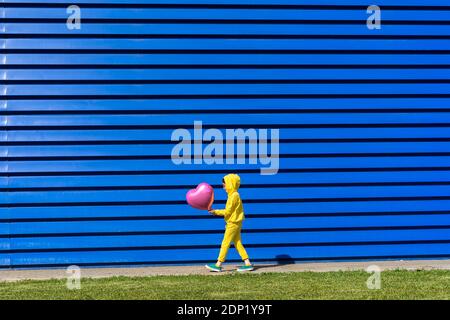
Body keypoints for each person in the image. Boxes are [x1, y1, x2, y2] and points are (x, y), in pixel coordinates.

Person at [205, 173, 254, 272]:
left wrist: (215, 212)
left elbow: (228, 211)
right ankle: (248, 263)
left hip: (233, 223)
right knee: (238, 243)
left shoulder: (233, 196)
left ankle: (218, 264)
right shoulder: (234, 195)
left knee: (225, 243)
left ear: (230, 184)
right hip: (236, 222)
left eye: (225, 185)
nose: (224, 187)